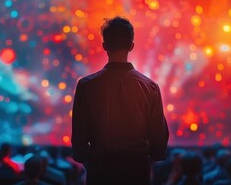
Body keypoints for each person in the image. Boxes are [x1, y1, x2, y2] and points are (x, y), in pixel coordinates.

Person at [71, 16, 169, 184]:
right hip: (137, 173)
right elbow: (159, 141)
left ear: (104, 46)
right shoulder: (150, 87)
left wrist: (92, 164)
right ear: (131, 46)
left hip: (100, 173)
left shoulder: (86, 86)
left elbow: (79, 138)